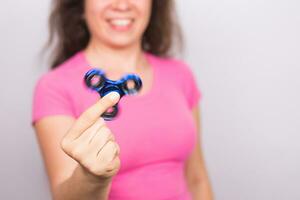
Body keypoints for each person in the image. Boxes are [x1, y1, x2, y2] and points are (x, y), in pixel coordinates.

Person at [31, 0, 213, 199]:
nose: (122, 4)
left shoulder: (180, 74)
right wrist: (93, 178)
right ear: (80, 6)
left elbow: (197, 179)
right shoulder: (54, 87)